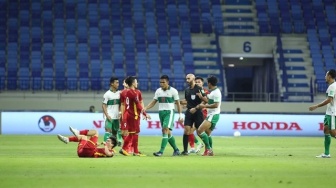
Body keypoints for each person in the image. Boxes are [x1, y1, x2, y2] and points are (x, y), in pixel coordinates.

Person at [144, 75, 183, 157]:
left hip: (169, 112)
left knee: (165, 129)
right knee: (167, 132)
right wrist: (146, 107)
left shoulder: (173, 91)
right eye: (160, 82)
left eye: (163, 82)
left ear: (167, 82)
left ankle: (161, 151)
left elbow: (178, 104)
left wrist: (180, 114)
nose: (161, 84)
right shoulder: (158, 91)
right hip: (161, 112)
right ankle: (176, 150)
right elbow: (154, 101)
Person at [119, 76, 151, 156]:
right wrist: (145, 114)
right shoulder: (132, 92)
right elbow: (138, 105)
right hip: (133, 115)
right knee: (135, 133)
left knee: (131, 133)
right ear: (133, 83)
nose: (137, 83)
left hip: (130, 114)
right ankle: (135, 152)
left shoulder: (127, 92)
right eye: (136, 82)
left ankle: (124, 149)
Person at [191, 75, 222, 156]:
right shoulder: (213, 92)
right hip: (212, 114)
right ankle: (210, 152)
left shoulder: (216, 93)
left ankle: (209, 149)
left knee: (199, 131)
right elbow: (209, 101)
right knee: (207, 134)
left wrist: (204, 106)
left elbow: (216, 105)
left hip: (213, 115)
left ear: (209, 83)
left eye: (208, 83)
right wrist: (202, 97)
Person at [309, 69, 336, 158]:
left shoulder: (332, 86)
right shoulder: (333, 86)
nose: (325, 77)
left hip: (332, 112)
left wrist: (316, 106)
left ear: (329, 76)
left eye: (326, 75)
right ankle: (327, 153)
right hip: (329, 112)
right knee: (326, 130)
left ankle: (327, 153)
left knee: (333, 132)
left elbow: (329, 100)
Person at [179, 74, 205, 155]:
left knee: (200, 132)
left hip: (198, 113)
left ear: (193, 79)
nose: (187, 80)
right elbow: (188, 100)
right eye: (186, 79)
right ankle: (185, 151)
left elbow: (205, 100)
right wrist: (179, 102)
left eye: (188, 79)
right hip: (189, 112)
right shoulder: (187, 90)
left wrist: (196, 108)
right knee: (186, 131)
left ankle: (208, 148)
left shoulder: (199, 89)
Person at [188, 76, 209, 154]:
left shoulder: (205, 92)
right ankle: (198, 145)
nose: (197, 83)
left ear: (202, 83)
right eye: (196, 82)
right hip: (195, 113)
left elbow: (206, 102)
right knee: (193, 131)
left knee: (196, 131)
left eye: (199, 82)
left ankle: (207, 148)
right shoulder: (194, 91)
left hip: (202, 114)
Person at [102, 77, 122, 146]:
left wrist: (120, 112)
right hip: (109, 116)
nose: (118, 84)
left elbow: (121, 104)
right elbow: (103, 105)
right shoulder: (107, 94)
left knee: (114, 133)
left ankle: (112, 148)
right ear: (111, 83)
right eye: (116, 82)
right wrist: (107, 115)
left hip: (116, 117)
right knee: (108, 131)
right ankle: (105, 146)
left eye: (118, 82)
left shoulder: (119, 93)